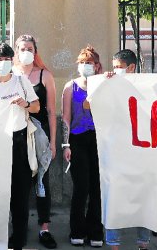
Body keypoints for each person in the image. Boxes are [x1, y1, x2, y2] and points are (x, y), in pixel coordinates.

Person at [0, 43, 39, 250]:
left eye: (7, 60)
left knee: (20, 196)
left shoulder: (21, 82)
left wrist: (25, 104)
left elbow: (37, 107)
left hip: (19, 142)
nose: (3, 64)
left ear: (12, 61)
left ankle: (19, 240)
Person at [103, 49, 152, 250]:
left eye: (119, 67)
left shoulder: (147, 86)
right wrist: (104, 85)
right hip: (117, 151)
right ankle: (114, 243)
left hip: (141, 152)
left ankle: (143, 242)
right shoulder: (111, 86)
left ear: (131, 67)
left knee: (144, 198)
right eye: (113, 67)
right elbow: (90, 105)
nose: (115, 71)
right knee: (114, 196)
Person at [14, 34, 58, 248]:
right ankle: (18, 226)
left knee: (42, 183)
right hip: (17, 137)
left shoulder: (45, 75)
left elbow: (51, 110)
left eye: (29, 48)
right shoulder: (10, 75)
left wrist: (53, 141)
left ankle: (44, 229)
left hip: (40, 137)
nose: (26, 52)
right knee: (18, 184)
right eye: (22, 48)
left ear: (35, 51)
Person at [62, 46, 103, 248]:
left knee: (97, 187)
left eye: (90, 63)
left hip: (99, 140)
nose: (86, 66)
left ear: (96, 65)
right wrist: (65, 144)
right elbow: (66, 119)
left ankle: (95, 230)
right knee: (82, 187)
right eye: (82, 63)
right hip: (77, 140)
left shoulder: (103, 84)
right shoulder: (71, 87)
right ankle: (77, 230)